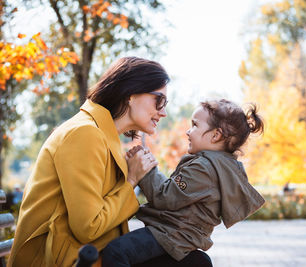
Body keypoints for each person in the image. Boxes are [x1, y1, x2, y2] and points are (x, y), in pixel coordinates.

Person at [8, 56, 211, 267]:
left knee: (195, 261)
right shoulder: (84, 133)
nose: (163, 112)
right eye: (159, 100)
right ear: (131, 94)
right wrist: (131, 180)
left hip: (90, 253)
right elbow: (88, 227)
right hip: (62, 260)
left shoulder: (102, 135)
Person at [101, 99, 266, 266]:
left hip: (171, 235)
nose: (188, 131)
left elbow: (165, 197)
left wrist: (146, 169)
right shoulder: (220, 167)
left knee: (115, 252)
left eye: (195, 125)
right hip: (180, 237)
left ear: (216, 135)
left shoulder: (204, 168)